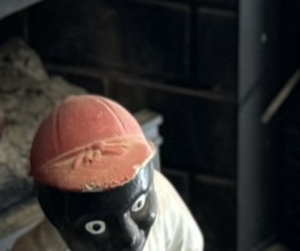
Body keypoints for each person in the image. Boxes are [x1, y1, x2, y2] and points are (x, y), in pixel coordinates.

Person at [13, 95, 204, 251]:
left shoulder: (162, 197)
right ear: (54, 214)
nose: (130, 239)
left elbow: (188, 243)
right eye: (96, 227)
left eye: (138, 205)